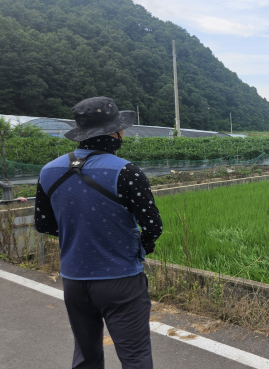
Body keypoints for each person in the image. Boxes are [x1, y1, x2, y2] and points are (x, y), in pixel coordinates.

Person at [35, 96, 162, 369]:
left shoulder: (48, 170)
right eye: (121, 129)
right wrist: (141, 248)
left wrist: (79, 234)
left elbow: (44, 223)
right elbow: (153, 226)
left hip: (74, 279)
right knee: (135, 356)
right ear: (113, 133)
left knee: (86, 355)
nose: (123, 134)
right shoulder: (127, 171)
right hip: (121, 279)